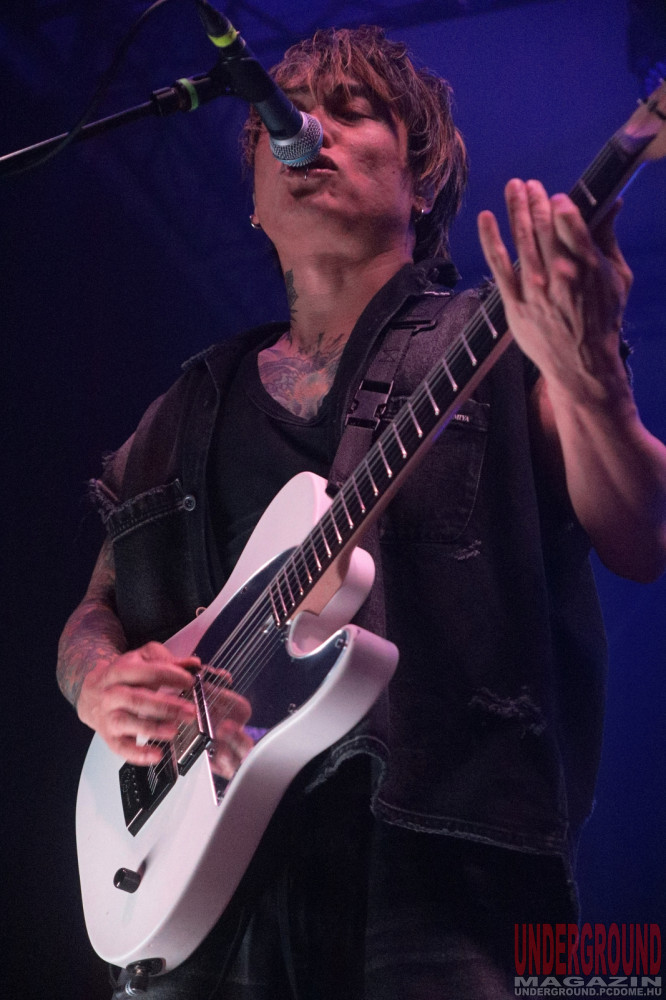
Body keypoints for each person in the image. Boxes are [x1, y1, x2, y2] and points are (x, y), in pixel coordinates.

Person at [57, 25, 666, 1000]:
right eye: (287, 115)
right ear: (253, 201)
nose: (308, 130)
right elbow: (96, 609)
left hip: (442, 875)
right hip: (198, 903)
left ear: (422, 179)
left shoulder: (502, 335)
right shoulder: (184, 407)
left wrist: (591, 374)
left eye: (350, 112)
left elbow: (643, 534)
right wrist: (98, 680)